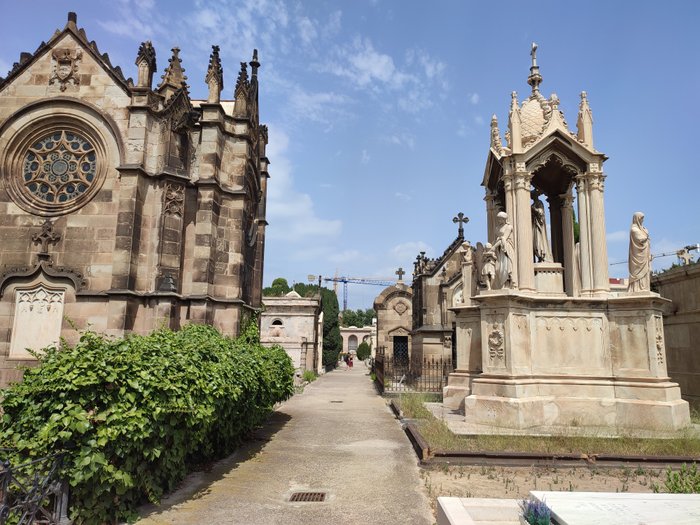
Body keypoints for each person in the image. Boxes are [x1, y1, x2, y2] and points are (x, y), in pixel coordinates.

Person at [491, 211, 516, 289]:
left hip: (506, 248)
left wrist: (494, 247)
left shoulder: (509, 227)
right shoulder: (497, 228)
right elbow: (497, 238)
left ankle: (507, 285)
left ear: (504, 219)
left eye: (500, 219)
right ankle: (501, 284)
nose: (499, 220)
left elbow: (504, 237)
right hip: (499, 250)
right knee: (498, 268)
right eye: (498, 219)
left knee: (506, 267)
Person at [628, 211, 651, 292]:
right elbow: (641, 238)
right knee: (637, 272)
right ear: (637, 218)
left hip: (644, 253)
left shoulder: (643, 229)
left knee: (646, 271)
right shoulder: (634, 229)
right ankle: (636, 288)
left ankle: (644, 287)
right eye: (641, 218)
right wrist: (646, 236)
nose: (642, 220)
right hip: (637, 255)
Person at [532, 195, 553, 262]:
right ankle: (540, 257)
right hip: (533, 226)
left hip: (538, 226)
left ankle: (542, 256)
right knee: (535, 242)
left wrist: (534, 209)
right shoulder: (533, 204)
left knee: (539, 241)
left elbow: (541, 212)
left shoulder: (539, 202)